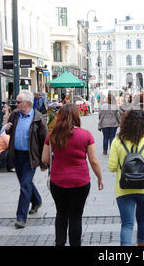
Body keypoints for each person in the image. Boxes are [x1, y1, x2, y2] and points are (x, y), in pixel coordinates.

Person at [42, 103, 104, 246]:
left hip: (57, 182)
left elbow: (45, 159)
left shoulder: (52, 135)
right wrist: (100, 178)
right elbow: (94, 161)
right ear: (77, 116)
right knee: (76, 216)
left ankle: (60, 243)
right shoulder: (86, 135)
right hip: (80, 182)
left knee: (61, 214)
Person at [108, 110, 144, 246]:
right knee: (143, 219)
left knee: (127, 224)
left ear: (125, 123)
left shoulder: (117, 141)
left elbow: (112, 167)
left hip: (123, 188)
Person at [5, 90, 48, 229]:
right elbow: (8, 131)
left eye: (18, 102)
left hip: (31, 157)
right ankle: (37, 200)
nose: (15, 104)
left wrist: (43, 162)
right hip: (17, 155)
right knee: (26, 183)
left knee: (24, 185)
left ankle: (21, 218)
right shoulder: (14, 115)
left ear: (27, 103)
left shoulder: (38, 118)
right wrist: (7, 129)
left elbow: (44, 141)